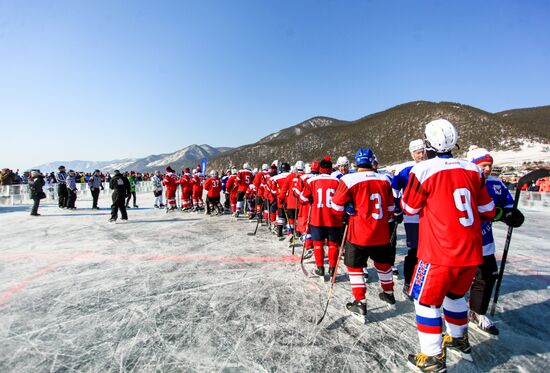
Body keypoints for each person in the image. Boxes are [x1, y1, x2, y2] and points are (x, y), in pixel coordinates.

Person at [401, 119, 496, 371]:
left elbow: (409, 207)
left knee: (426, 302)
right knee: (455, 296)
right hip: (471, 250)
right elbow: (487, 209)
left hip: (439, 251)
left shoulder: (423, 170)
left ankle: (432, 357)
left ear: (428, 142)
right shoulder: (473, 170)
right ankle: (458, 339)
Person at [331, 148, 397, 322]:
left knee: (355, 267)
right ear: (372, 161)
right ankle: (389, 293)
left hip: (358, 232)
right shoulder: (384, 179)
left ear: (356, 162)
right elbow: (391, 209)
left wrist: (346, 210)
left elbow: (336, 207)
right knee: (383, 264)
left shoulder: (348, 179)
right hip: (381, 231)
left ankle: (360, 302)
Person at [466, 146, 524, 336]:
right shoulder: (464, 181)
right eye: (483, 165)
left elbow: (507, 204)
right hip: (462, 241)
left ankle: (477, 312)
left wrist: (510, 214)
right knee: (456, 278)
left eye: (490, 165)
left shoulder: (496, 183)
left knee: (487, 275)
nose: (487, 169)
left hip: (485, 240)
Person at [391, 139, 426, 297]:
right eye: (418, 152)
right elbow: (395, 190)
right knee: (414, 250)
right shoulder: (404, 168)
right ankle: (408, 282)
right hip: (413, 216)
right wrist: (398, 210)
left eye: (423, 151)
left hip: (431, 216)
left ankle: (427, 281)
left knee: (430, 251)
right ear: (412, 153)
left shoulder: (432, 165)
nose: (421, 154)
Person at [299, 156, 342, 277]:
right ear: (330, 169)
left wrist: (309, 198)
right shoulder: (338, 181)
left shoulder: (311, 181)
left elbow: (302, 199)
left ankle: (320, 268)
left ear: (320, 169)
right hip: (334, 218)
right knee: (333, 245)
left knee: (318, 244)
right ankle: (332, 269)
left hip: (317, 218)